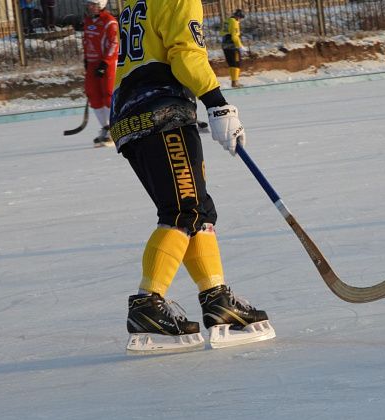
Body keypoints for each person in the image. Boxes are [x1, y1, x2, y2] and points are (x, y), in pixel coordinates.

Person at [110, 0, 275, 353]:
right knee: (184, 211)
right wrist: (216, 102)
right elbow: (186, 54)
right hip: (162, 114)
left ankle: (216, 298)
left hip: (129, 116)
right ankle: (147, 304)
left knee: (195, 209)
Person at [83, 0, 118, 147]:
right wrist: (86, 58)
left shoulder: (110, 22)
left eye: (93, 4)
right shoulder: (88, 21)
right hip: (92, 63)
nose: (90, 7)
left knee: (108, 95)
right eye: (89, 4)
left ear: (101, 4)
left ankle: (114, 129)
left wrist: (105, 62)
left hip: (106, 63)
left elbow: (114, 43)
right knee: (93, 94)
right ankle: (105, 127)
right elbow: (86, 41)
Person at [220, 9, 246, 88]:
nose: (240, 20)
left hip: (224, 44)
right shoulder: (234, 22)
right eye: (241, 18)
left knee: (231, 63)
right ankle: (235, 82)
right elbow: (235, 36)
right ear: (238, 17)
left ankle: (233, 82)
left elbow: (221, 32)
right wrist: (240, 46)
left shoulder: (227, 21)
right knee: (236, 63)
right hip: (232, 46)